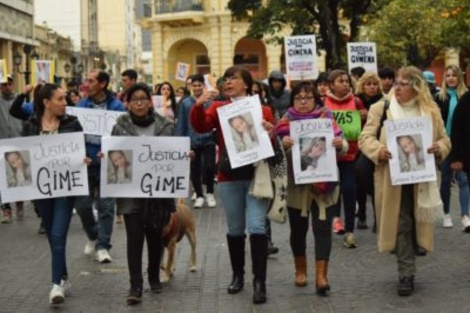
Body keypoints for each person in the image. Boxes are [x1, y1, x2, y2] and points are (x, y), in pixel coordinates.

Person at [359, 66, 450, 296]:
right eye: (396, 82)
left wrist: (437, 148)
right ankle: (406, 273)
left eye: (403, 83)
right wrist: (379, 151)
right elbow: (365, 137)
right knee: (401, 224)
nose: (396, 87)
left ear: (416, 86)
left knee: (415, 223)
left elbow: (444, 140)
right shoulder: (382, 107)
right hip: (392, 179)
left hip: (421, 178)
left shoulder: (430, 111)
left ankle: (411, 255)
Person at [190, 65, 275, 304]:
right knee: (235, 229)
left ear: (246, 84)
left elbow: (272, 139)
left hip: (256, 175)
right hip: (229, 176)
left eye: (234, 78)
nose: (228, 82)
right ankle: (238, 275)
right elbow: (201, 127)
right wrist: (199, 104)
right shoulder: (219, 108)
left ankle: (260, 282)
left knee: (257, 226)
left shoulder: (263, 109)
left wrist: (270, 131)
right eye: (226, 79)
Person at [274, 81, 346, 294]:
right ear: (292, 100)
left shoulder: (327, 118)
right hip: (298, 188)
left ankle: (321, 276)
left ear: (316, 99)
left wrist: (340, 145)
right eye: (298, 98)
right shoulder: (285, 122)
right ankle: (300, 270)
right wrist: (282, 145)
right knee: (298, 230)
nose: (303, 102)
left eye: (308, 97)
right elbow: (275, 152)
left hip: (325, 186)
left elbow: (342, 142)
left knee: (323, 229)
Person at [21, 83, 88, 305]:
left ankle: (55, 285)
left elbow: (82, 150)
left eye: (65, 99)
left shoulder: (72, 123)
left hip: (65, 188)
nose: (65, 103)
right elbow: (23, 154)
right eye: (60, 99)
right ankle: (65, 277)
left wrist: (85, 160)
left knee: (58, 234)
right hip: (41, 189)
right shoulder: (31, 124)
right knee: (52, 235)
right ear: (46, 102)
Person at [111, 83, 175, 305]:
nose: (139, 103)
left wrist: (184, 156)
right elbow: (114, 153)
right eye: (134, 99)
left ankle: (154, 276)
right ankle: (135, 285)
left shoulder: (166, 125)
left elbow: (174, 153)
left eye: (143, 99)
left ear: (150, 102)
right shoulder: (120, 125)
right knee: (134, 236)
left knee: (155, 235)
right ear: (127, 103)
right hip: (130, 190)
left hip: (158, 190)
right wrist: (106, 158)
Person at [74, 69, 125, 263]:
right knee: (82, 205)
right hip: (85, 162)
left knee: (106, 207)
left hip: (107, 163)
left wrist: (113, 152)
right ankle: (93, 234)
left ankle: (103, 246)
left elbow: (123, 133)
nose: (87, 84)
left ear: (102, 84)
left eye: (91, 80)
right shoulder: (81, 105)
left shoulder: (117, 107)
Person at [324, 69, 367, 247]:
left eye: (346, 81)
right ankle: (332, 221)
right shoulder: (322, 103)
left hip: (350, 156)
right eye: (340, 81)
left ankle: (349, 231)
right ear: (331, 85)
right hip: (328, 157)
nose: (345, 84)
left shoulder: (356, 101)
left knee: (349, 191)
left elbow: (365, 126)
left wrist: (364, 116)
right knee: (330, 192)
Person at [435, 65, 470, 230]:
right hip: (445, 143)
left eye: (454, 76)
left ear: (459, 78)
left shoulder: (465, 96)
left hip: (462, 145)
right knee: (446, 180)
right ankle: (446, 213)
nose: (450, 78)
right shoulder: (439, 97)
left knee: (463, 180)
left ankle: (465, 216)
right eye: (447, 75)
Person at [176, 74, 218, 209]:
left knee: (210, 167)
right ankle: (199, 195)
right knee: (194, 169)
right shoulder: (185, 102)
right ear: (190, 86)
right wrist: (181, 141)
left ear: (204, 86)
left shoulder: (210, 101)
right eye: (194, 85)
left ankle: (210, 193)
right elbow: (181, 123)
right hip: (192, 140)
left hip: (208, 138)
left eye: (199, 85)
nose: (197, 88)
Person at [355, 72, 384, 230]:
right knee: (360, 181)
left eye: (374, 84)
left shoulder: (383, 101)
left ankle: (378, 218)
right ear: (363, 86)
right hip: (358, 146)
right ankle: (362, 215)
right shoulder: (356, 100)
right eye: (368, 84)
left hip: (376, 146)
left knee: (376, 184)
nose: (372, 87)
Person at [0, 74, 24, 224]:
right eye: (3, 84)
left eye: (9, 83)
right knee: (2, 178)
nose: (7, 86)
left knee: (18, 176)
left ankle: (19, 201)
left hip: (19, 143)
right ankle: (6, 209)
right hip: (1, 143)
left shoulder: (20, 101)